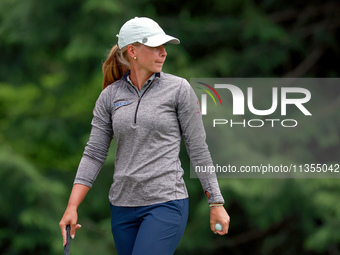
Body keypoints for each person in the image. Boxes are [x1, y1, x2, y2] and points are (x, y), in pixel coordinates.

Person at [59, 17, 230, 255]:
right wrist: (72, 206)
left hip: (166, 203)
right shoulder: (110, 96)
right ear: (133, 51)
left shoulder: (178, 89)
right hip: (122, 207)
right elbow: (94, 153)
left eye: (165, 47)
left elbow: (197, 149)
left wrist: (216, 202)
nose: (164, 53)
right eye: (156, 47)